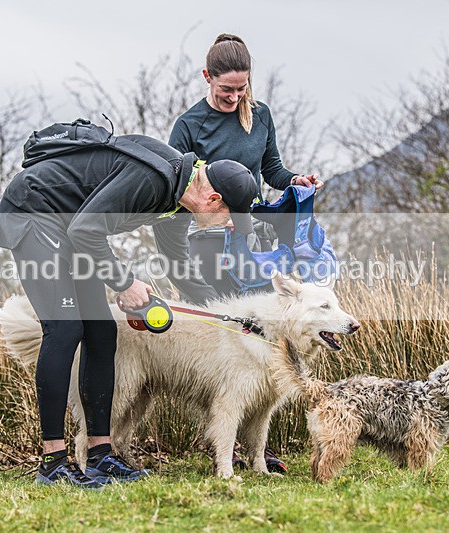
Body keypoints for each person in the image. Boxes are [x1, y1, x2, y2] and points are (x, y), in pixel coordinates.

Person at [0, 126, 258, 489]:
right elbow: (86, 230)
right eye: (229, 214)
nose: (227, 223)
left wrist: (224, 315)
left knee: (101, 331)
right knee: (65, 329)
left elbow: (178, 264)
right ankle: (52, 463)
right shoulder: (154, 179)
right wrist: (124, 282)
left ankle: (101, 457)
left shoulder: (177, 199)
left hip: (71, 226)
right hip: (35, 212)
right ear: (212, 199)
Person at [168, 32, 324, 473]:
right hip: (210, 242)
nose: (235, 97)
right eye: (225, 91)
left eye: (242, 89)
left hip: (253, 242)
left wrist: (298, 182)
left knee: (264, 340)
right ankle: (225, 446)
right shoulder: (188, 126)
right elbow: (180, 190)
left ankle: (257, 449)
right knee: (229, 345)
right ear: (207, 78)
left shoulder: (261, 116)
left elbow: (272, 170)